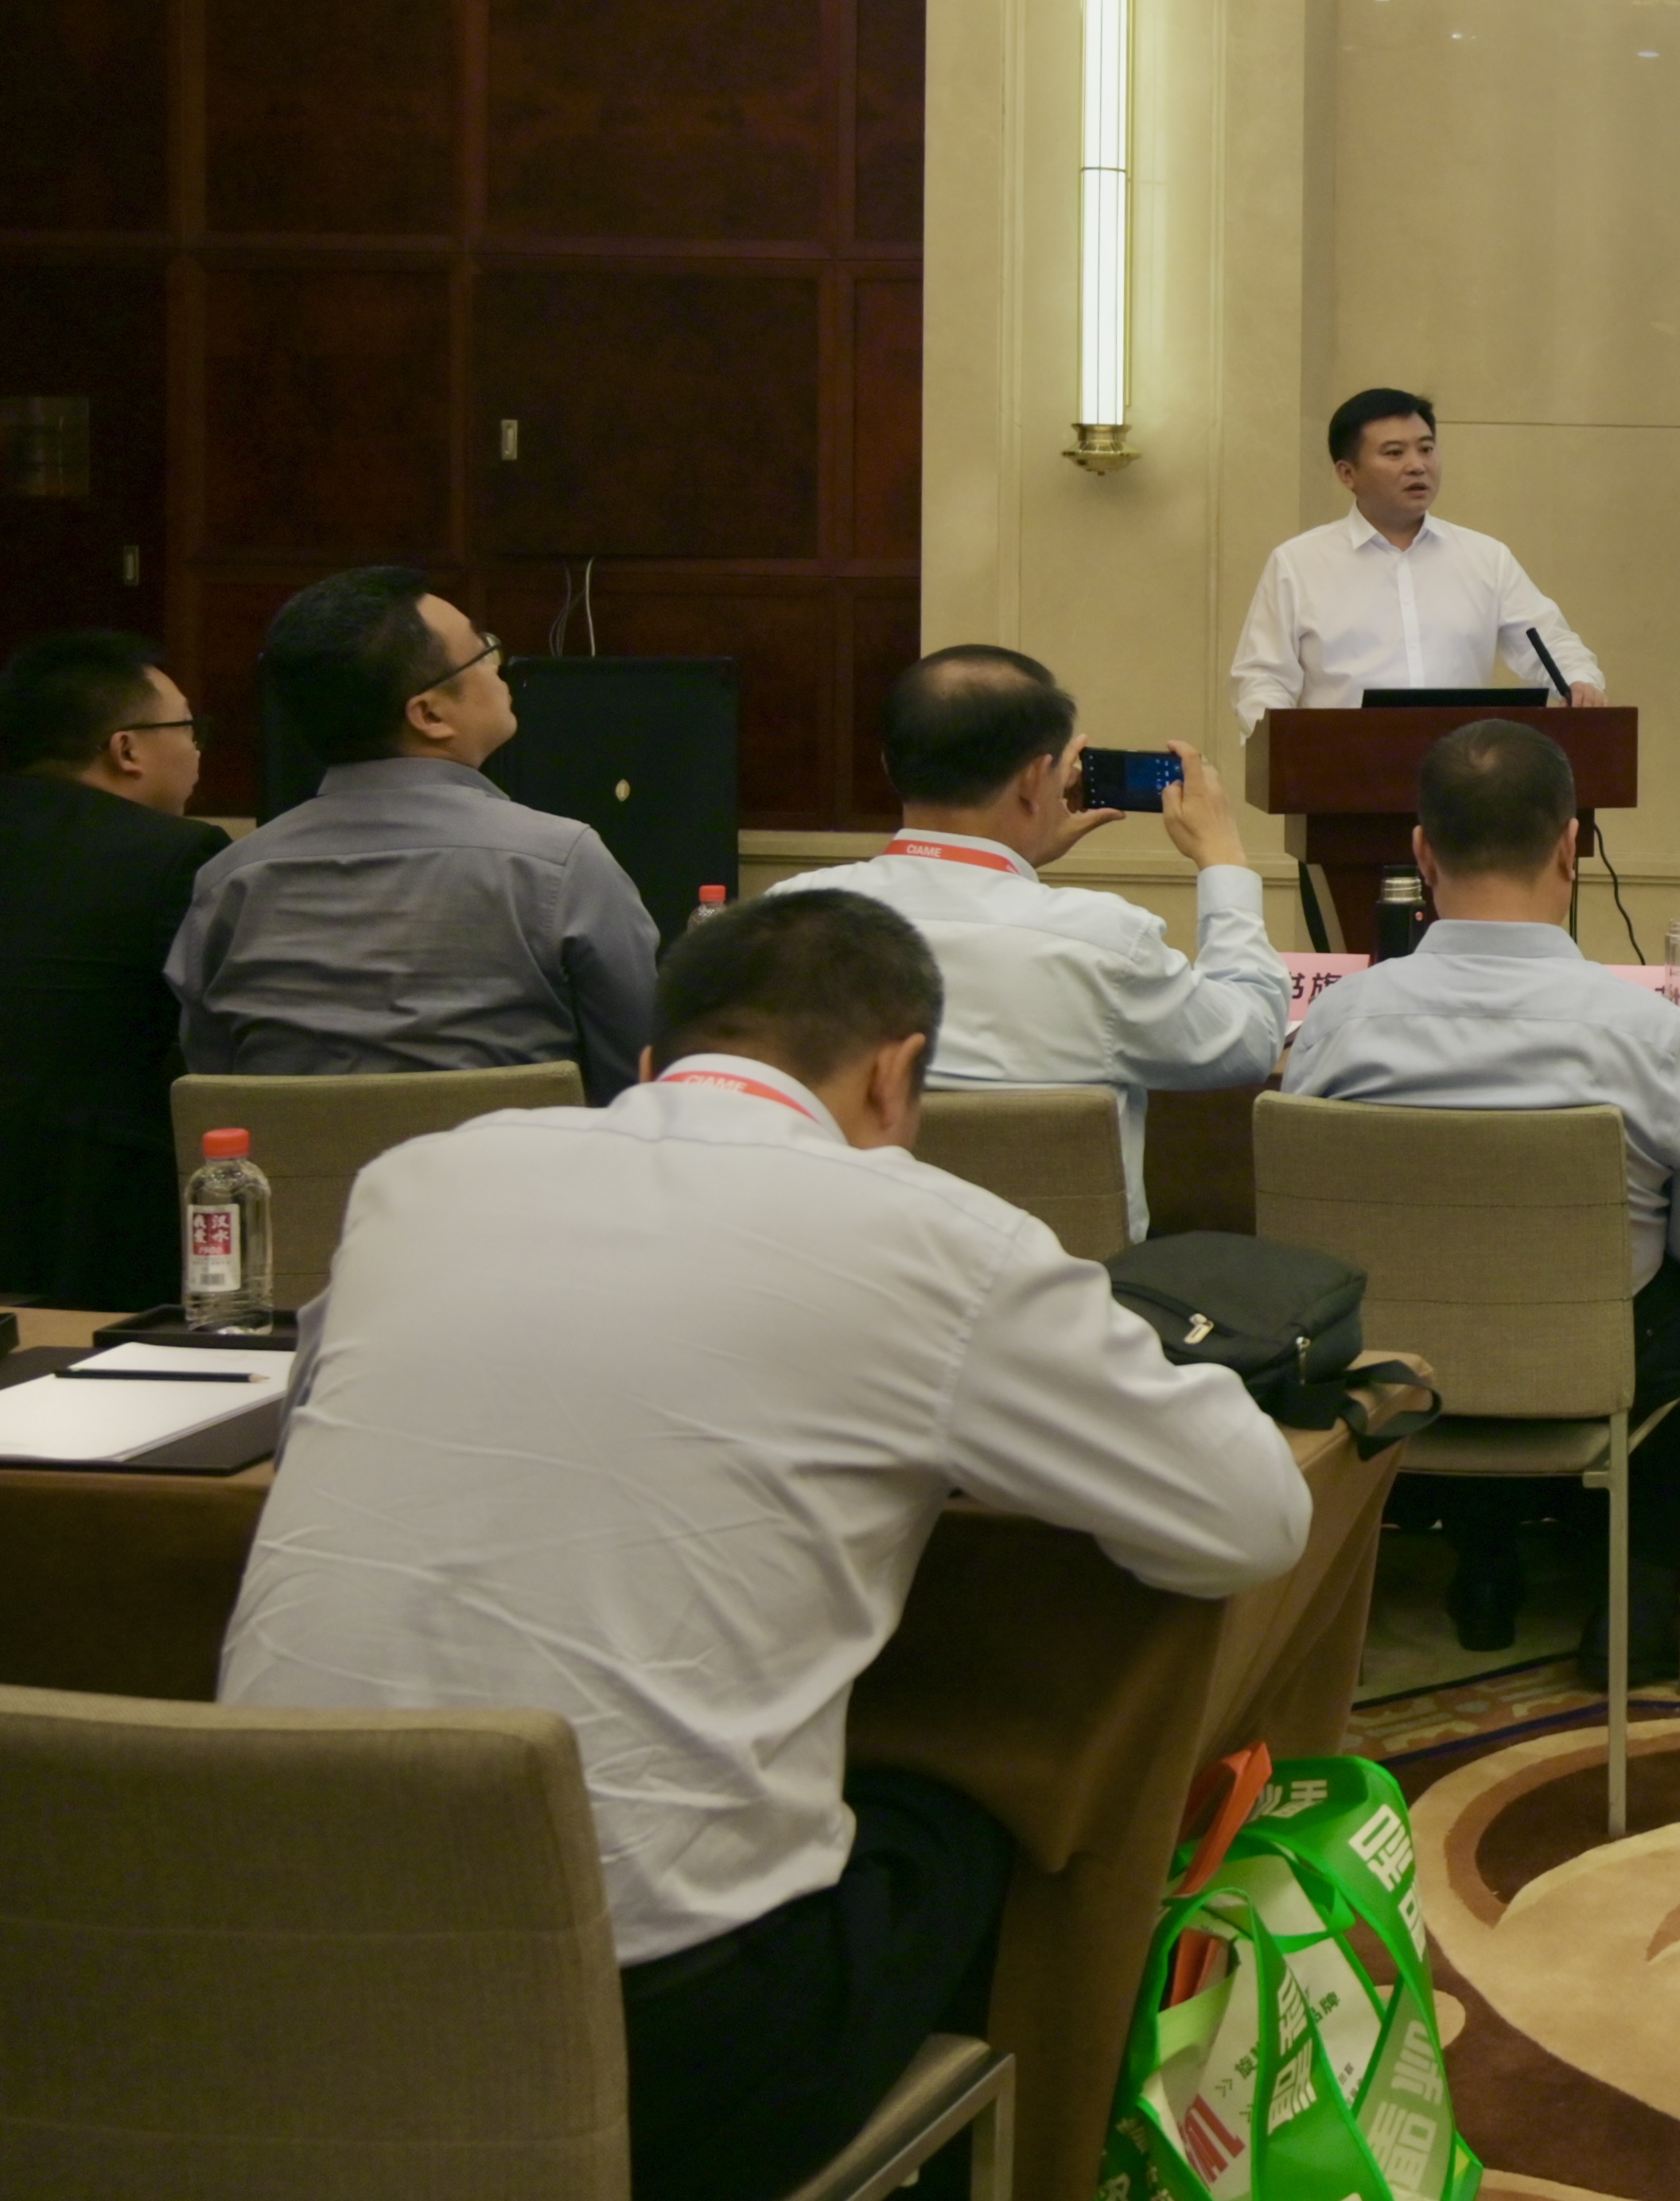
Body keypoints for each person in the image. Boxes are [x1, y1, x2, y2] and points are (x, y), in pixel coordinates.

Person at [220, 891, 1311, 2201]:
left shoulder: (421, 1178)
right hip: (647, 2049)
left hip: (250, 1978)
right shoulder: (934, 1236)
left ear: (652, 1060)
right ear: (898, 1073)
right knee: (1000, 1812)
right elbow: (1249, 1518)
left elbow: (311, 1415)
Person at [1283, 717, 1680, 1668]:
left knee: (1438, 1296)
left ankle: (1479, 1555)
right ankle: (1649, 1601)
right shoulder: (1644, 1031)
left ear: (1421, 853)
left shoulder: (1339, 1021)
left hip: (1389, 1359)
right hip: (1594, 1352)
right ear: (1571, 847)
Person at [768, 645, 1285, 1240]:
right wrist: (1223, 860)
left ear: (889, 765)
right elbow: (1250, 1041)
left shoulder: (788, 920)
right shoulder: (1103, 941)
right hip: (1066, 1284)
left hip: (850, 1270)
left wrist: (1015, 856)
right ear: (1038, 777)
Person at [165, 566, 659, 1099]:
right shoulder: (560, 864)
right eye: (482, 652)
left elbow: (216, 1085)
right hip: (509, 1153)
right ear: (430, 714)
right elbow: (638, 1076)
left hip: (290, 1157)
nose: (498, 667)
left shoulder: (228, 883)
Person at [0, 632, 227, 1305]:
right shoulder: (177, 852)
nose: (197, 749)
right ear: (126, 749)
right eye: (188, 728)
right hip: (92, 1215)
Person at [1228, 387, 1612, 737]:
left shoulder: (1485, 558)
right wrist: (1286, 745)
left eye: (1426, 449)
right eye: (1395, 453)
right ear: (1347, 474)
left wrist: (1579, 681)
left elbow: (1551, 641)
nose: (1417, 466)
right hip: (1342, 770)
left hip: (1463, 773)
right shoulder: (1298, 563)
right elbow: (1262, 678)